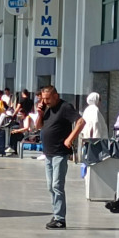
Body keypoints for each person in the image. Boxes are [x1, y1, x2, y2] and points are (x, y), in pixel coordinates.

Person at [35, 85, 84, 229]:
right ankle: (56, 213)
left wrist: (70, 138)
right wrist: (40, 113)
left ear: (56, 96)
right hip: (48, 153)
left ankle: (60, 219)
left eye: (48, 98)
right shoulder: (46, 108)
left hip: (59, 153)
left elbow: (81, 122)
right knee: (50, 186)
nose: (46, 101)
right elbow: (38, 127)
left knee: (57, 185)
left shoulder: (65, 107)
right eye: (43, 99)